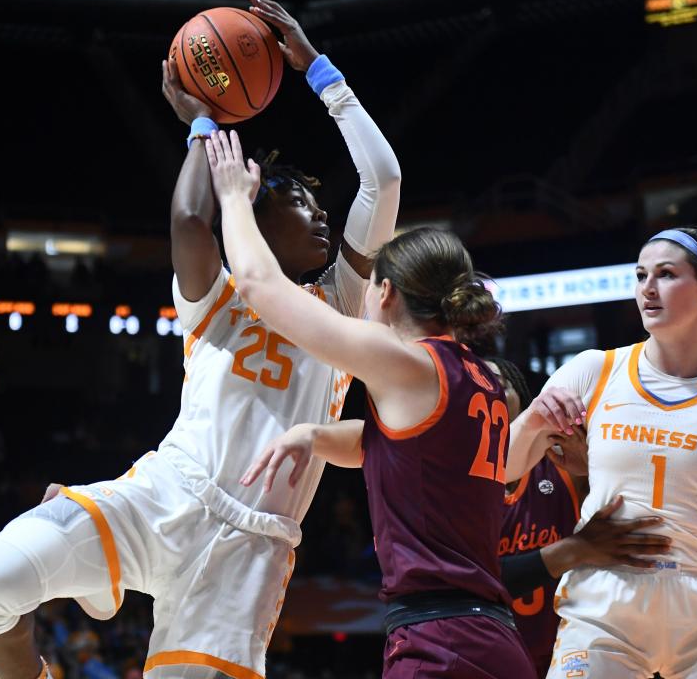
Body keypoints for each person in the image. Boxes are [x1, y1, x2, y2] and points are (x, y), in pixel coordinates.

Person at [0, 0, 401, 679]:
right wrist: (201, 126)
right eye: (301, 202)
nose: (322, 216)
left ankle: (100, 585)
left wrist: (317, 70)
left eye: (321, 205)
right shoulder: (215, 298)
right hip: (166, 492)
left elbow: (384, 178)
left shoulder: (340, 305)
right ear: (252, 211)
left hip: (250, 548)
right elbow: (191, 224)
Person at [209, 130, 537, 678]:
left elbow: (259, 284)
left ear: (383, 294)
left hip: (439, 642)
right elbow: (401, 449)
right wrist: (313, 435)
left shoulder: (405, 360)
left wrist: (233, 201)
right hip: (496, 640)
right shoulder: (482, 379)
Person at [506, 226, 697, 678]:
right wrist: (533, 419)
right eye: (640, 276)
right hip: (605, 604)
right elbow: (502, 471)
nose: (648, 289)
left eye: (666, 275)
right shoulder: (593, 370)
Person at [489, 358, 670, 678]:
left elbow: (640, 505)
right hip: (490, 652)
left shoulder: (561, 461)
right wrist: (575, 548)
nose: (487, 390)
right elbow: (470, 581)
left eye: (498, 382)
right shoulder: (449, 481)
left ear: (521, 395)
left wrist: (595, 466)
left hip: (572, 647)